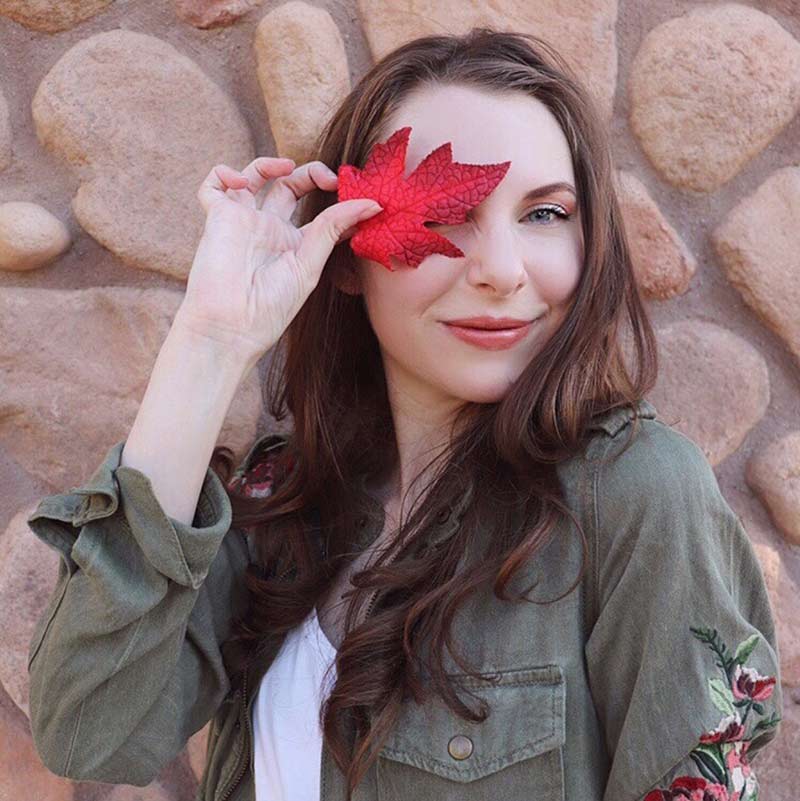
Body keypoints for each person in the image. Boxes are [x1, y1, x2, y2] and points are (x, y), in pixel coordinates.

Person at [26, 27, 781, 801]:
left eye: (547, 214)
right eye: (446, 215)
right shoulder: (289, 497)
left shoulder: (635, 495)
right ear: (348, 250)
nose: (501, 270)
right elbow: (89, 727)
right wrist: (210, 340)